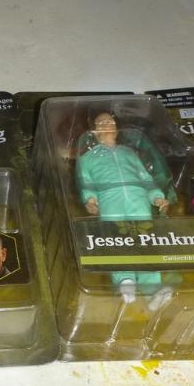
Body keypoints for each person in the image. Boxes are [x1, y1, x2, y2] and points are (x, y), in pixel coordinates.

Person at [76, 112, 171, 307]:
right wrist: (90, 199)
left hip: (138, 197)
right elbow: (85, 181)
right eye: (101, 122)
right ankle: (124, 280)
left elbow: (145, 177)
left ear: (116, 127)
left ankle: (152, 288)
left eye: (110, 121)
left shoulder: (129, 152)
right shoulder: (87, 158)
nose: (106, 124)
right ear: (94, 131)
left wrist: (156, 196)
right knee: (116, 239)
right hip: (109, 199)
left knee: (145, 239)